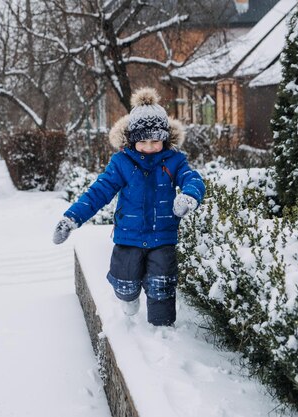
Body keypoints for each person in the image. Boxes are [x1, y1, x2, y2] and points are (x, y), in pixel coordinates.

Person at [53, 87, 205, 327]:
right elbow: (98, 192)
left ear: (165, 139)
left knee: (162, 284)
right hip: (128, 236)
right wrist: (72, 218)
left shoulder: (175, 161)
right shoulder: (121, 163)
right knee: (125, 282)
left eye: (155, 141)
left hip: (162, 235)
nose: (149, 146)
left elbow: (193, 179)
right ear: (133, 140)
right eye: (143, 141)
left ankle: (162, 329)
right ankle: (128, 297)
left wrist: (188, 196)